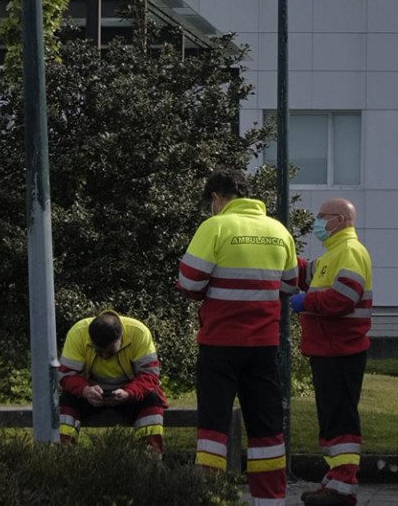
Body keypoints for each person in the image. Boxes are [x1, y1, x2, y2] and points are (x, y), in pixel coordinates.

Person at [177, 167, 298, 506]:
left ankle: (211, 496)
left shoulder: (215, 226)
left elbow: (189, 284)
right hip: (263, 346)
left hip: (220, 343)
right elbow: (289, 285)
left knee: (213, 428)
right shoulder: (279, 230)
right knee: (267, 430)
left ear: (216, 199)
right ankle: (270, 500)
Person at [289, 198, 372, 506]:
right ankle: (336, 480)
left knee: (340, 419)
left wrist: (305, 302)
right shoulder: (333, 254)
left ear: (338, 220)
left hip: (341, 349)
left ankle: (343, 485)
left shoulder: (349, 252)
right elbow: (305, 274)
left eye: (321, 217)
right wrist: (281, 253)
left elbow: (344, 298)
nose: (317, 223)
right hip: (329, 349)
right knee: (333, 418)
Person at [57, 310, 167, 454]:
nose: (104, 356)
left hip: (130, 394)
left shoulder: (139, 332)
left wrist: (129, 393)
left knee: (152, 398)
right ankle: (62, 456)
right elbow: (66, 374)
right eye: (99, 351)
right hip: (89, 394)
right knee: (67, 399)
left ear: (120, 338)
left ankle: (150, 459)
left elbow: (150, 375)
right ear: (90, 339)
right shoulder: (78, 332)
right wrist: (85, 390)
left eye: (110, 351)